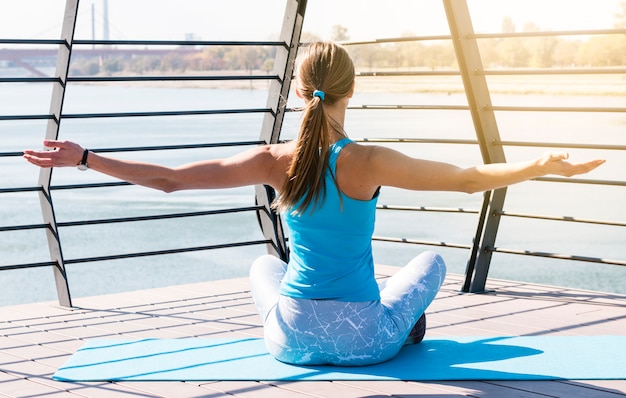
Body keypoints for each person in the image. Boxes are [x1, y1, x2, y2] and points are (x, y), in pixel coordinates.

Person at [23, 42, 605, 366]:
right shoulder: (369, 161)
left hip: (291, 341)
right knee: (429, 265)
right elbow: (468, 179)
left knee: (261, 266)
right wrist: (539, 165)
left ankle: (375, 318)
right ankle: (403, 327)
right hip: (367, 338)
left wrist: (85, 158)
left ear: (299, 92)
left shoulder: (274, 160)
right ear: (352, 90)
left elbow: (172, 180)